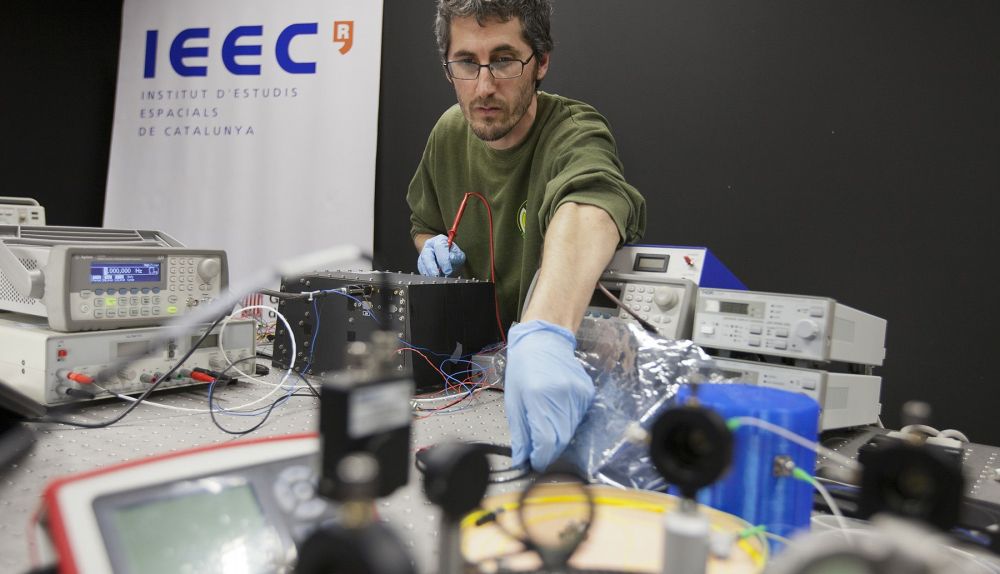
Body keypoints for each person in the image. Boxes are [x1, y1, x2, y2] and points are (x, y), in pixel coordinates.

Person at [407, 0, 646, 471]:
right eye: (466, 63)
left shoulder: (574, 132)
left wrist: (544, 337)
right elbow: (424, 225)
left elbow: (590, 204)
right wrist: (430, 248)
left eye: (504, 60)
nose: (484, 86)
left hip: (552, 388)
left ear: (541, 61)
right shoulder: (448, 133)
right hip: (474, 386)